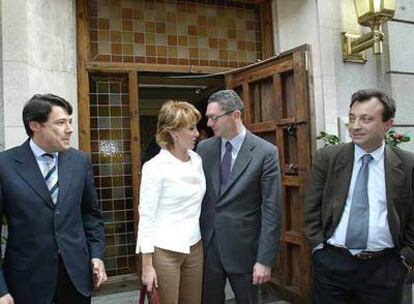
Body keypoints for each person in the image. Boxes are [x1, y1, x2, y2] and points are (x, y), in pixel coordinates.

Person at [304, 89, 414, 304]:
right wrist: (318, 248)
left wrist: (405, 258)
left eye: (366, 119)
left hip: (384, 268)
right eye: (352, 118)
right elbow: (311, 208)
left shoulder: (408, 164)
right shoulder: (328, 157)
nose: (355, 126)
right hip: (332, 264)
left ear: (388, 124)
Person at [0, 94, 107, 304]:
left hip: (76, 278)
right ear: (35, 125)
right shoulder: (5, 165)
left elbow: (91, 215)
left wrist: (96, 255)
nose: (69, 129)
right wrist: (1, 290)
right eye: (60, 122)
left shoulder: (80, 161)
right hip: (26, 282)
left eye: (70, 121)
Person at [196, 89, 281, 304]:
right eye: (208, 117)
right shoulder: (204, 149)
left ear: (235, 115)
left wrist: (264, 259)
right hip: (208, 248)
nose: (208, 123)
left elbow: (272, 210)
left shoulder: (265, 152)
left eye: (213, 117)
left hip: (245, 251)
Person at [136, 100, 205, 304]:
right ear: (173, 132)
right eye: (191, 128)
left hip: (195, 247)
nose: (197, 134)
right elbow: (146, 217)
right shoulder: (155, 167)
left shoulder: (197, 160)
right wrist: (147, 266)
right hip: (164, 251)